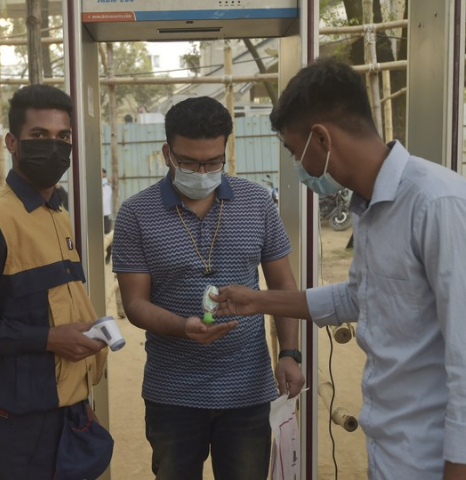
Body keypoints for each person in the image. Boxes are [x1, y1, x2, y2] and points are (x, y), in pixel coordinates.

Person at [213, 58, 466, 480]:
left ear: (321, 138)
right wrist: (258, 300)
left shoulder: (438, 205)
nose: (297, 166)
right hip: (395, 451)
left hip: (446, 461)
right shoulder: (368, 207)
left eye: (294, 150)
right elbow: (358, 297)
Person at [112, 96, 304, 480]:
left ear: (225, 151)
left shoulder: (257, 203)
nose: (202, 171)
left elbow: (283, 286)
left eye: (213, 161)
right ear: (167, 153)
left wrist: (289, 353)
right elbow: (134, 303)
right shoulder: (135, 214)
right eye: (189, 162)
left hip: (248, 392)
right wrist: (183, 326)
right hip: (172, 394)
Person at [0, 84, 110, 480]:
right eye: (39, 136)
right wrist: (48, 339)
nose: (53, 147)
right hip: (24, 428)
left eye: (62, 137)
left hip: (72, 413)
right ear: (12, 142)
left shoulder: (56, 214)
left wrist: (80, 398)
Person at [101, 168, 112, 234]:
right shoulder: (106, 182)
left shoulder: (106, 182)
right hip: (101, 209)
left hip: (105, 209)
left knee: (106, 230)